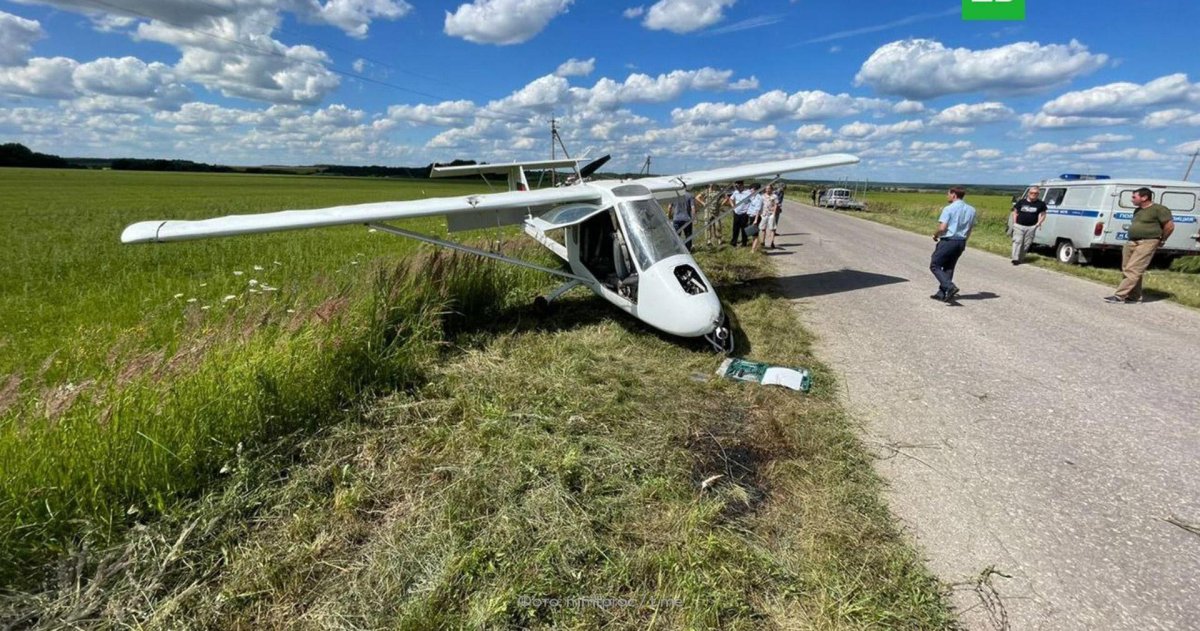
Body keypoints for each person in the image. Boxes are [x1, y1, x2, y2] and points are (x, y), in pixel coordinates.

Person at [1105, 187, 1175, 303]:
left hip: (1148, 242)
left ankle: (1119, 296)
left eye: (1134, 197)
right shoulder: (1138, 210)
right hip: (1132, 241)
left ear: (1144, 197)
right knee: (1127, 268)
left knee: (1133, 269)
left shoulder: (1159, 209)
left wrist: (1162, 239)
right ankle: (1134, 297)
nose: (1132, 200)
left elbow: (1169, 226)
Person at [930, 187, 977, 302]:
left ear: (954, 195)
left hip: (949, 240)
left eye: (948, 194)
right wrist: (965, 241)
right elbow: (970, 228)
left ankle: (949, 287)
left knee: (935, 265)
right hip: (961, 241)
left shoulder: (948, 209)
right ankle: (942, 293)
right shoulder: (971, 210)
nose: (947, 196)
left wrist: (935, 234)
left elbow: (942, 227)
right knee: (949, 267)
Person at [1010, 187, 1046, 265]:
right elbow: (1015, 212)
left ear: (1038, 194)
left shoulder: (1041, 204)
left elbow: (1043, 214)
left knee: (1026, 244)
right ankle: (1015, 259)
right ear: (1028, 193)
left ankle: (1021, 258)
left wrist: (1038, 223)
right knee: (1017, 241)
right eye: (1031, 193)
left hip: (1031, 227)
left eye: (1035, 193)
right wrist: (1015, 223)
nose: (1033, 195)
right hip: (1019, 225)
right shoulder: (1021, 202)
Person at [752, 184, 777, 253]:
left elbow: (776, 205)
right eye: (766, 188)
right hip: (764, 214)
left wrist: (774, 214)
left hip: (771, 214)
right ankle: (763, 242)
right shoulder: (762, 196)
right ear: (765, 189)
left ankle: (772, 242)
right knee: (763, 229)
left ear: (771, 189)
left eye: (769, 188)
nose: (768, 190)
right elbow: (760, 205)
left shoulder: (774, 196)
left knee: (772, 229)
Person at [728, 180, 754, 247]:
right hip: (736, 213)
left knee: (744, 229)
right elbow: (730, 199)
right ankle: (734, 242)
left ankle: (744, 243)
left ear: (742, 185)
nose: (737, 187)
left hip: (744, 213)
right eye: (736, 186)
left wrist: (748, 210)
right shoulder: (735, 192)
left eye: (738, 186)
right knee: (735, 229)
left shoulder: (748, 193)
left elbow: (752, 202)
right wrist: (733, 207)